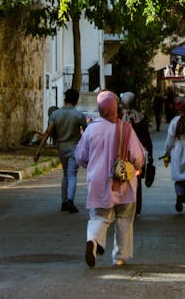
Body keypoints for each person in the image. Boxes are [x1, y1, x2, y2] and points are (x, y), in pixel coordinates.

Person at [75, 90, 145, 268]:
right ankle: (119, 257)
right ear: (116, 107)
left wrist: (93, 166)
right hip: (123, 182)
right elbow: (137, 156)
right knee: (124, 219)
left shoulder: (91, 130)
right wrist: (136, 168)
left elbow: (80, 156)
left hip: (98, 182)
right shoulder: (125, 128)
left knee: (99, 216)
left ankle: (92, 240)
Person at [34, 88, 86, 213]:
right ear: (76, 100)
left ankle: (64, 201)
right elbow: (87, 133)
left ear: (65, 98)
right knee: (72, 174)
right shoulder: (79, 115)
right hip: (74, 147)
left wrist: (38, 150)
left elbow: (47, 132)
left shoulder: (55, 114)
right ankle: (70, 200)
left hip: (61, 147)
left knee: (65, 174)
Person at [119, 91, 153, 216]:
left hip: (122, 154)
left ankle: (123, 204)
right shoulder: (140, 117)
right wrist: (150, 153)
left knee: (122, 178)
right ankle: (136, 206)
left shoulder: (118, 118)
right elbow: (146, 138)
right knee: (137, 180)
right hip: (138, 154)